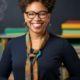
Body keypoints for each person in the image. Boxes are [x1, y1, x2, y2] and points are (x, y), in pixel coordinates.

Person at [0, 0, 80, 80]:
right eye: (31, 14)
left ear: (49, 16)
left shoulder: (62, 44)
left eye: (42, 13)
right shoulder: (12, 45)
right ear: (25, 16)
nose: (37, 18)